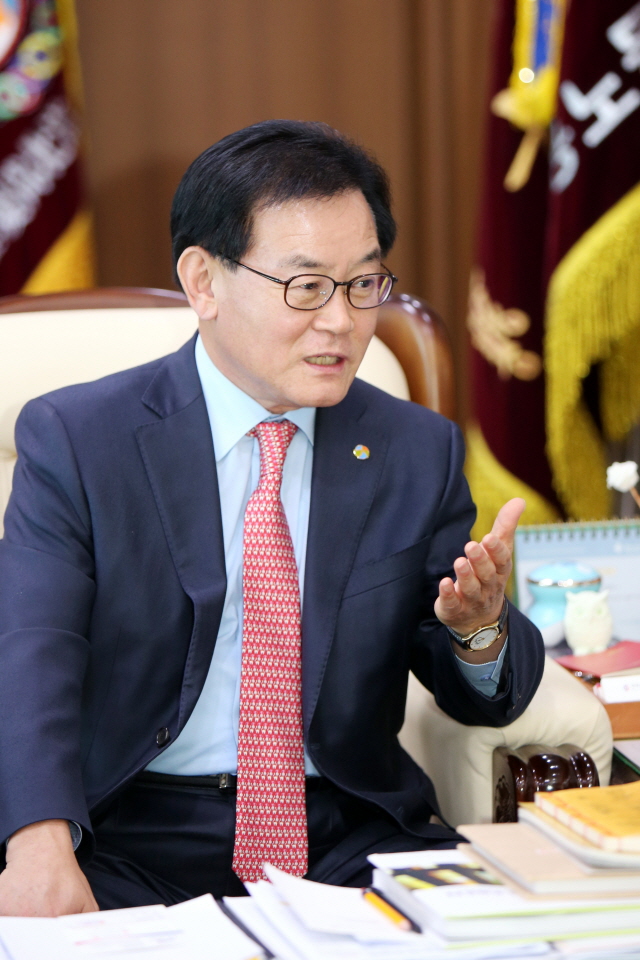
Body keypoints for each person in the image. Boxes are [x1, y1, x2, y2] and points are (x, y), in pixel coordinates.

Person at [0, 120, 544, 916]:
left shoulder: (413, 449)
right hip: (129, 835)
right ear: (203, 282)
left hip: (348, 838)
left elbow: (480, 693)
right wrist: (38, 844)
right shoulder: (79, 441)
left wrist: (479, 630)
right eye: (306, 286)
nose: (342, 321)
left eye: (364, 284)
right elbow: (30, 652)